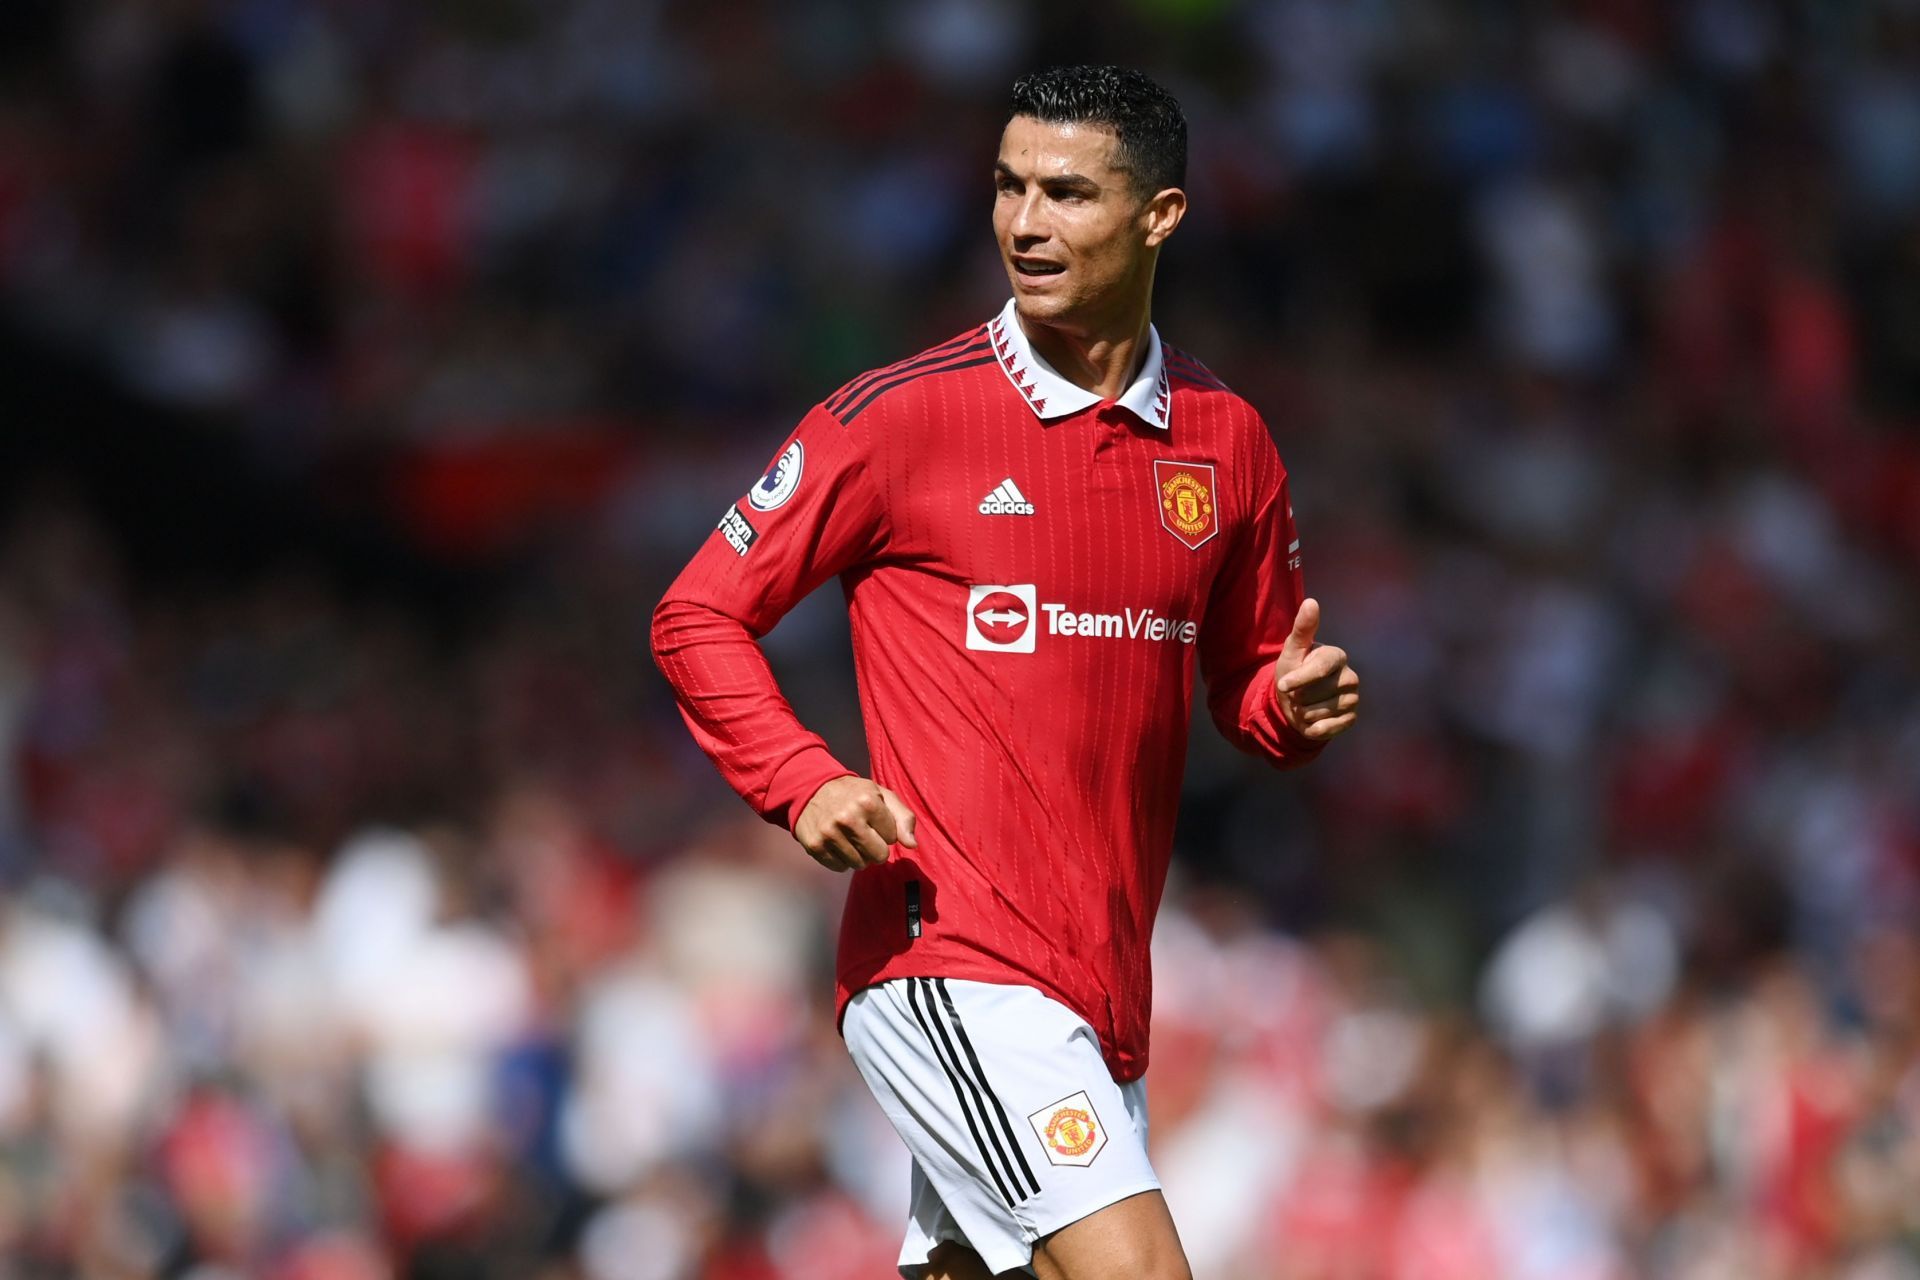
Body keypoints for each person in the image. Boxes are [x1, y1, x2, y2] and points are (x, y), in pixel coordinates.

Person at [652, 65, 1360, 1280]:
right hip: (950, 957)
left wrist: (1287, 709)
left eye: (1068, 193)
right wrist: (802, 778)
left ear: (1162, 217)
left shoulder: (1226, 437)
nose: (1026, 223)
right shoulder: (899, 418)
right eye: (1008, 187)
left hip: (1102, 990)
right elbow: (696, 615)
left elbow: (1246, 677)